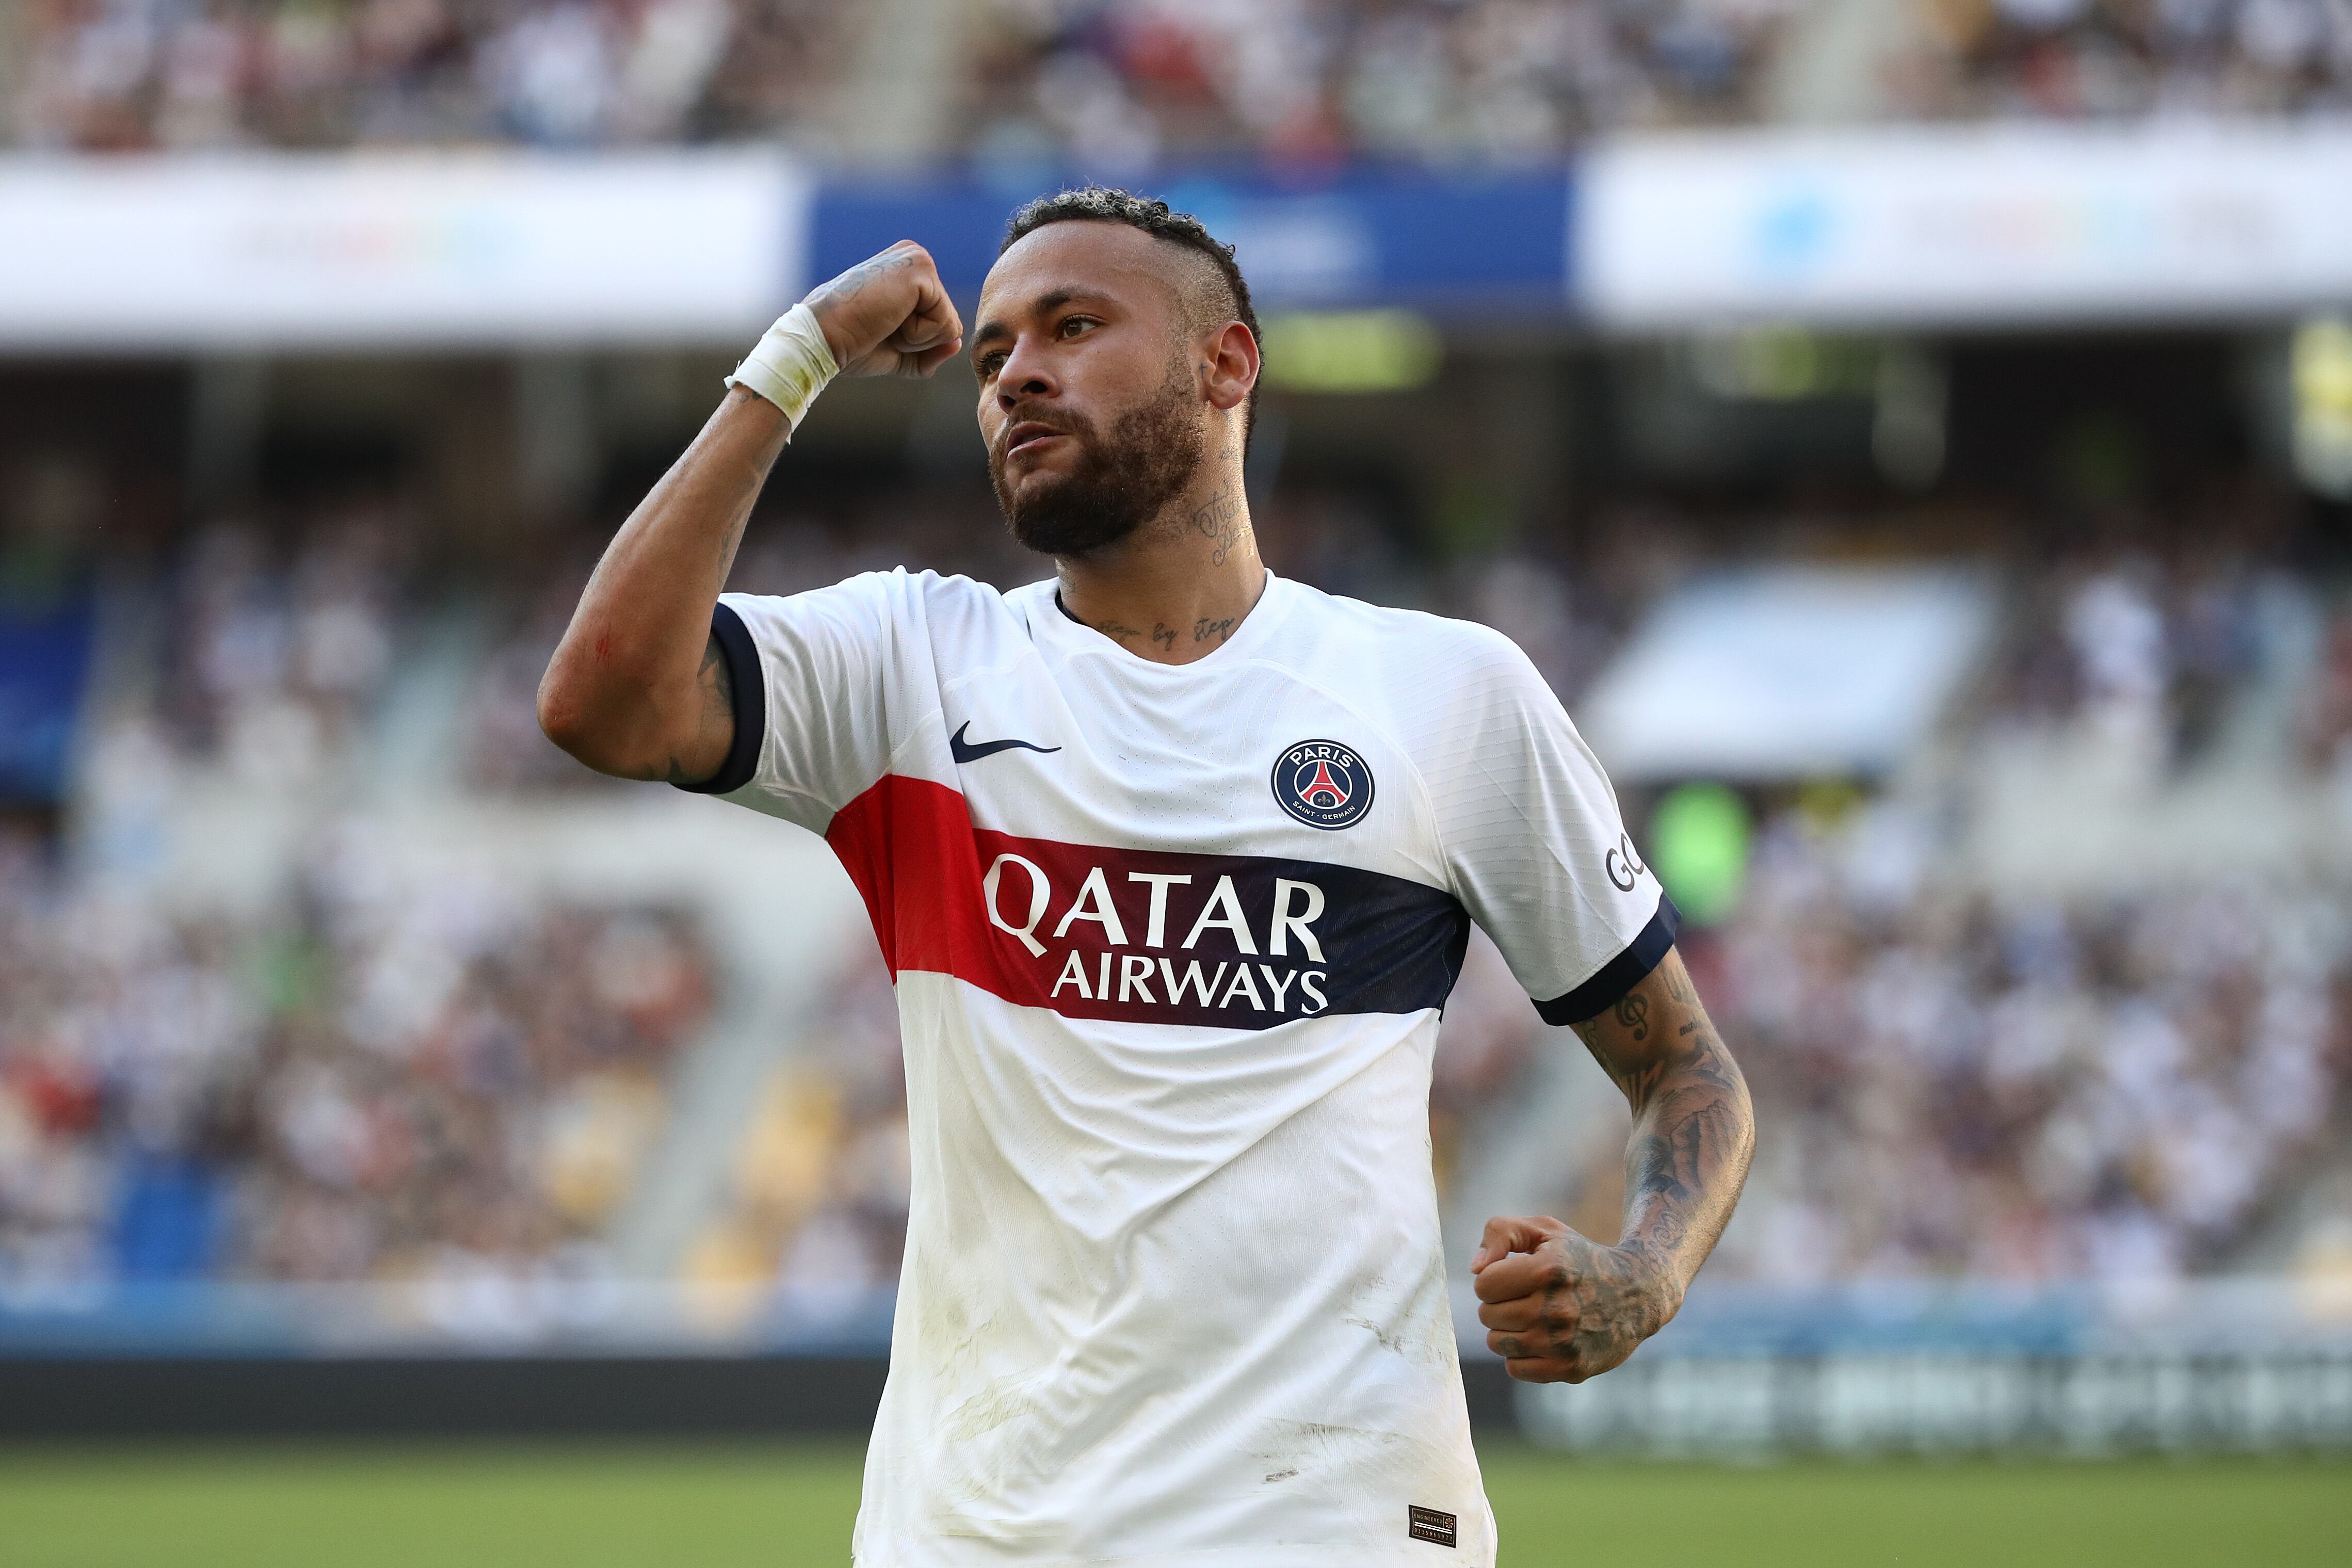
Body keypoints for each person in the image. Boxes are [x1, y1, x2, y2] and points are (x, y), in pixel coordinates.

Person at [538, 187, 1754, 1567]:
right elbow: (605, 701)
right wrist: (803, 350)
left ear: (1225, 364)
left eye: (1074, 327)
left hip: (1333, 1530)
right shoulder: (911, 667)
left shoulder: (1443, 694)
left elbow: (1686, 1070)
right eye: (991, 355)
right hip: (977, 1539)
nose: (1020, 377)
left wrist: (1643, 1279)